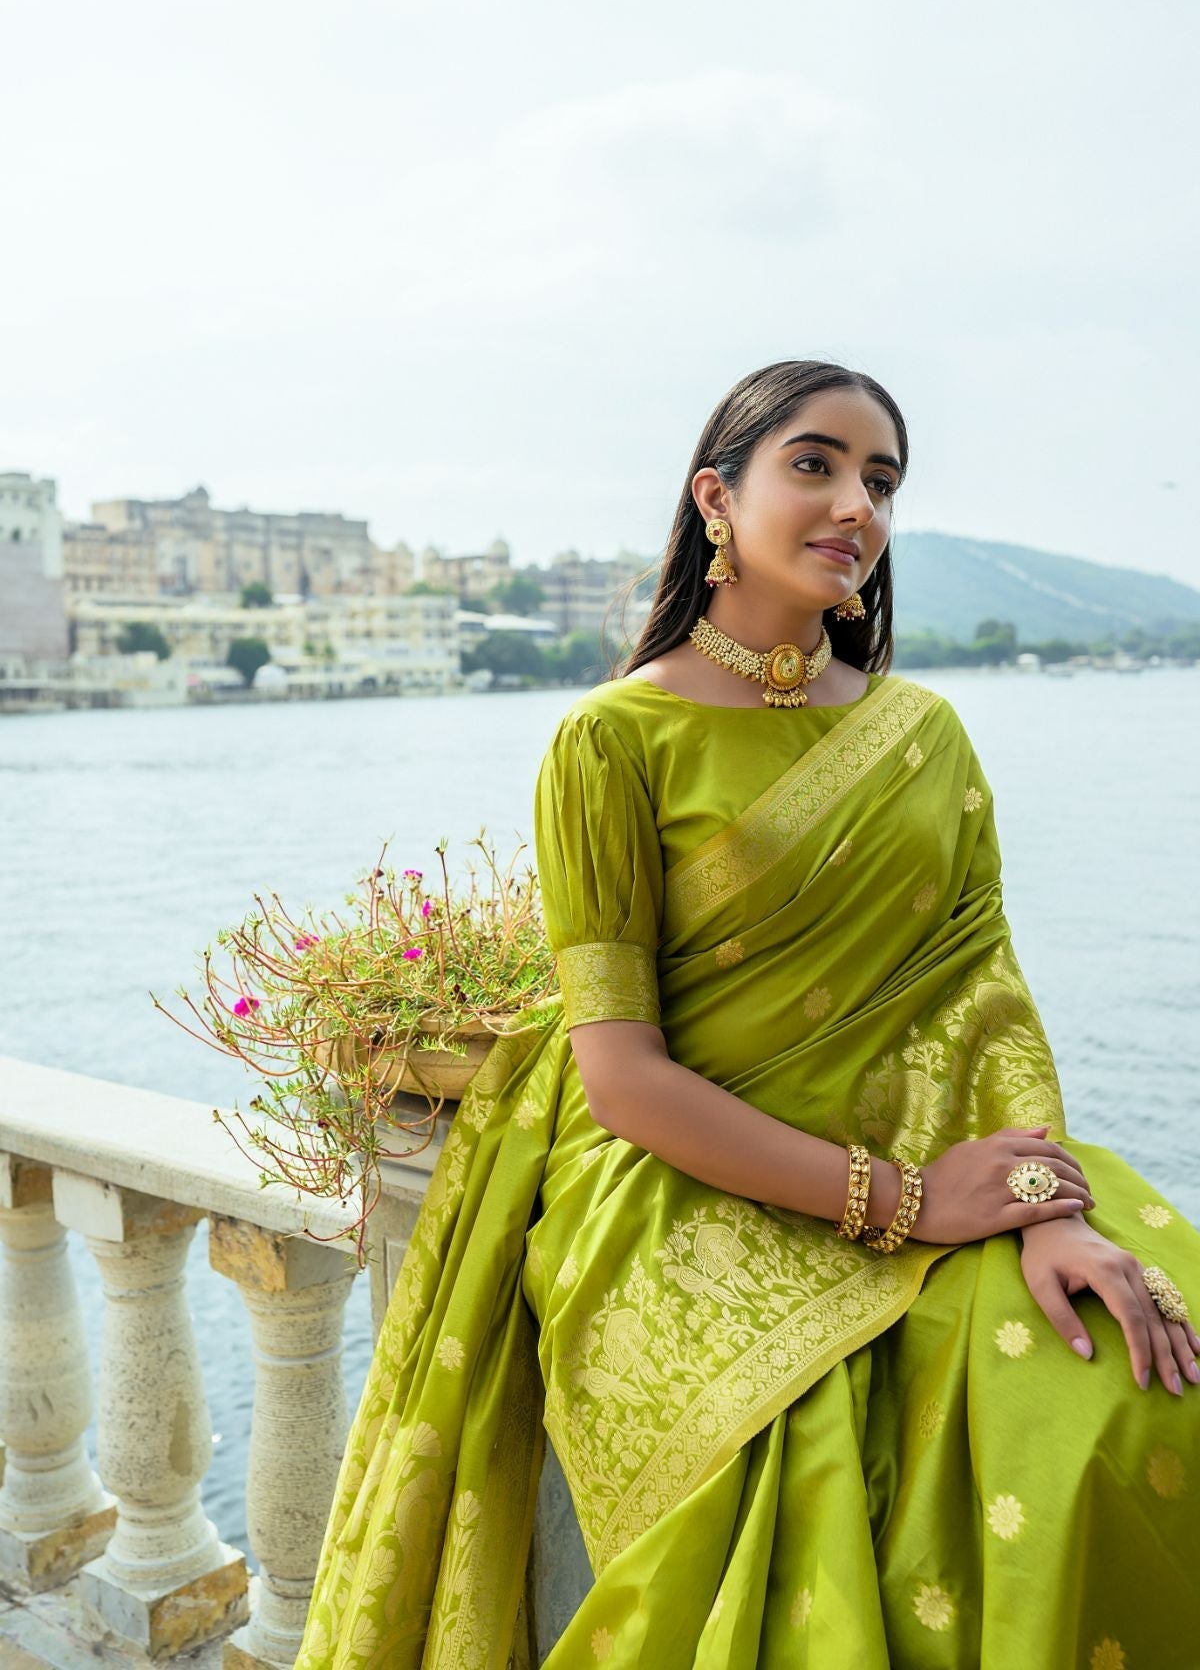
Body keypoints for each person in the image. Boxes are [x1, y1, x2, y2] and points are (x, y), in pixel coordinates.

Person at [295, 360, 1199, 1669]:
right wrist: (905, 1205)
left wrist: (1045, 1207)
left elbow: (982, 997)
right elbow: (621, 1080)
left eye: (881, 482)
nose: (856, 507)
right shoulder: (613, 740)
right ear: (717, 498)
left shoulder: (922, 737)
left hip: (925, 1142)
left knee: (1133, 1370)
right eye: (817, 465)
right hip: (675, 1178)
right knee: (818, 1451)